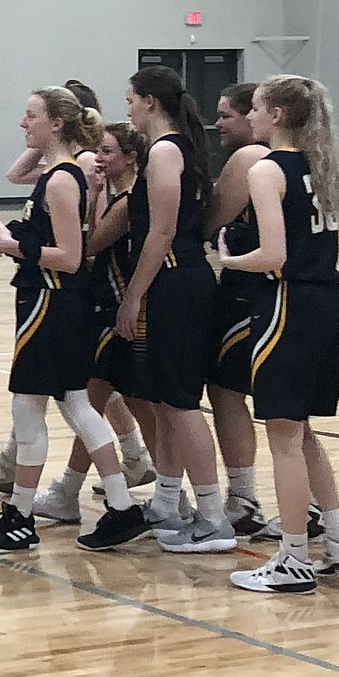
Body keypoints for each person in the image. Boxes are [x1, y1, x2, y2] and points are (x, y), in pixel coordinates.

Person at [0, 87, 146, 556]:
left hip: (52, 300)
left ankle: (20, 517)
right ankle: (124, 508)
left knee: (28, 409)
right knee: (77, 405)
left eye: (31, 117)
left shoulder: (65, 179)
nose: (23, 125)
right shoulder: (60, 173)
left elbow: (70, 257)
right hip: (53, 301)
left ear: (56, 125)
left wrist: (15, 246)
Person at [220, 74, 339, 594]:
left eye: (256, 107)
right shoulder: (320, 166)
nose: (250, 115)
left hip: (287, 302)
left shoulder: (266, 170)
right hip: (328, 301)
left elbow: (273, 256)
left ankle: (294, 560)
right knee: (301, 431)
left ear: (277, 115)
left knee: (282, 435)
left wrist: (228, 258)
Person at [114, 65, 235, 554]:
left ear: (149, 102)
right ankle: (166, 502)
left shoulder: (165, 150)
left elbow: (160, 232)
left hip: (175, 280)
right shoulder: (170, 147)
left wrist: (133, 294)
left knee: (182, 402)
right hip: (172, 279)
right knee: (164, 400)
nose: (126, 107)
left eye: (130, 99)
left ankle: (212, 517)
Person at [30, 122, 158, 526]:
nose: (98, 159)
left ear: (131, 158)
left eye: (107, 152)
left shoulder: (126, 202)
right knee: (121, 403)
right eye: (98, 150)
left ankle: (74, 491)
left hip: (118, 308)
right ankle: (166, 488)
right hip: (106, 305)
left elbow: (85, 247)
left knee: (95, 400)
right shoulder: (118, 195)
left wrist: (93, 195)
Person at [203, 83, 273, 536]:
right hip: (281, 292)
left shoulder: (250, 160)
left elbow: (212, 219)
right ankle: (312, 508)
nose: (218, 123)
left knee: (227, 391)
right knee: (287, 411)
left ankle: (244, 499)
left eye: (226, 115)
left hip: (248, 289)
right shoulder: (298, 160)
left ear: (255, 115)